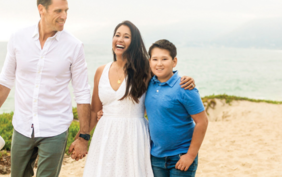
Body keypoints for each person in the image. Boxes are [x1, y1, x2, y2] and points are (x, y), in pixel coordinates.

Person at [0, 0, 91, 176]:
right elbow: (5, 81)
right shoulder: (18, 38)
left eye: (66, 11)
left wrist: (84, 136)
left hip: (55, 128)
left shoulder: (74, 46)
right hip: (22, 126)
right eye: (58, 11)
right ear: (41, 9)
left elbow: (82, 92)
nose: (64, 16)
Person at [81, 21, 196, 177]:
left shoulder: (145, 70)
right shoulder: (101, 71)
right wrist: (82, 137)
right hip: (105, 134)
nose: (120, 39)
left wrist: (188, 80)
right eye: (117, 35)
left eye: (126, 36)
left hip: (134, 135)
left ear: (134, 42)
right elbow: (95, 110)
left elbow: (166, 77)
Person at [145, 39, 208, 177]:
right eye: (155, 59)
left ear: (174, 61)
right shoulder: (147, 84)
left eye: (164, 59)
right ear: (149, 61)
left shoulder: (185, 87)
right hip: (156, 157)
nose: (159, 63)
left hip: (181, 156)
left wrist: (190, 155)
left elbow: (202, 122)